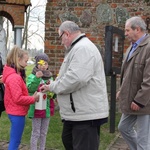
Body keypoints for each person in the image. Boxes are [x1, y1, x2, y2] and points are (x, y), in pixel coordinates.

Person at [40, 20, 109, 150]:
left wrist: (53, 87)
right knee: (68, 140)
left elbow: (76, 79)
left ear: (67, 33)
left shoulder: (82, 48)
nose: (61, 42)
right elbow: (70, 76)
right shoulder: (78, 48)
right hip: (77, 114)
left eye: (61, 37)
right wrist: (53, 85)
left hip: (85, 115)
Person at [116, 16, 150, 150]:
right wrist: (122, 90)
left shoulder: (148, 47)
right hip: (131, 100)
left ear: (137, 29)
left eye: (127, 30)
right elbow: (129, 74)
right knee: (123, 127)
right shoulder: (132, 47)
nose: (125, 33)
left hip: (144, 103)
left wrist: (140, 100)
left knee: (143, 139)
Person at [2, 45, 39, 150]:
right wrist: (33, 99)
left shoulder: (14, 75)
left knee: (15, 140)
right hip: (16, 113)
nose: (27, 64)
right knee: (15, 141)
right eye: (26, 61)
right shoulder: (15, 77)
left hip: (14, 112)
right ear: (18, 59)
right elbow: (18, 98)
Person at [27, 53, 54, 150]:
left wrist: (51, 92)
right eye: (41, 63)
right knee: (36, 132)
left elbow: (52, 94)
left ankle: (42, 148)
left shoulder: (50, 77)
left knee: (43, 132)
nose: (43, 66)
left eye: (45, 63)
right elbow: (30, 88)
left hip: (46, 108)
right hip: (36, 109)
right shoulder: (32, 76)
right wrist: (36, 78)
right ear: (36, 64)